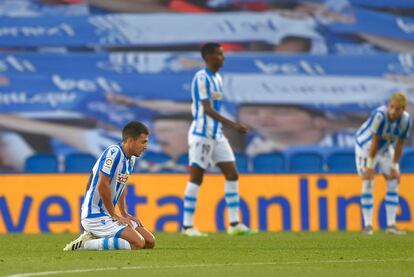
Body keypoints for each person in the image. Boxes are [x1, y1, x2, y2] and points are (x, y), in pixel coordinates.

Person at [181, 42, 255, 237]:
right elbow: (207, 109)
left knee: (232, 174)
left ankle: (234, 224)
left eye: (223, 54)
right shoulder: (201, 78)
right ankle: (187, 227)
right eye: (219, 54)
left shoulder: (218, 78)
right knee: (196, 178)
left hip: (216, 135)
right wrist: (234, 125)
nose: (223, 57)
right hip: (201, 134)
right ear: (209, 57)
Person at [63, 121, 155, 250]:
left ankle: (98, 237)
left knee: (149, 242)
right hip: (94, 215)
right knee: (138, 243)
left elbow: (121, 186)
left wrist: (124, 214)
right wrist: (114, 215)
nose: (146, 146)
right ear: (130, 140)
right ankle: (86, 244)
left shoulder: (131, 159)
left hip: (108, 215)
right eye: (143, 142)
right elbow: (102, 186)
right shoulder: (113, 153)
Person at [355, 92, 412, 235]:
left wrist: (394, 167)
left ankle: (391, 226)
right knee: (368, 181)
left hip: (386, 149)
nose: (393, 111)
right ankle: (368, 226)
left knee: (393, 180)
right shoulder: (380, 115)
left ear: (403, 109)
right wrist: (369, 167)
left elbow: (400, 145)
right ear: (389, 105)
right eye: (391, 107)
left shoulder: (406, 121)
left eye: (397, 109)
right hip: (365, 148)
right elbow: (374, 142)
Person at [238, 104, 359, 157]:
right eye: (253, 112)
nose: (263, 118)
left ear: (319, 121)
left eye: (281, 113)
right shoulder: (246, 144)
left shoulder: (352, 141)